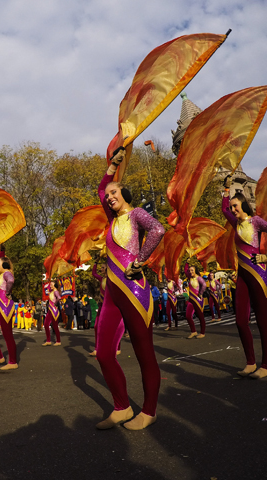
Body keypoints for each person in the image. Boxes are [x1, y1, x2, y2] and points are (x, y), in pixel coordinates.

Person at [94, 149, 164, 431]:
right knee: (103, 353)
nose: (109, 196)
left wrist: (141, 260)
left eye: (115, 192)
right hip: (113, 293)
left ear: (125, 194)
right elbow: (100, 188)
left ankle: (149, 411)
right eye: (108, 195)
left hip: (135, 290)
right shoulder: (111, 221)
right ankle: (121, 407)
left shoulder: (136, 215)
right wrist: (112, 166)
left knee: (144, 352)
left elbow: (158, 230)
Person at [222, 183, 267, 378]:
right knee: (241, 321)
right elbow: (224, 210)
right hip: (242, 276)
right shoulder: (236, 224)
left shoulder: (255, 221)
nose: (232, 209)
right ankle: (250, 362)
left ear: (243, 205)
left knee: (264, 321)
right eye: (232, 207)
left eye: (235, 206)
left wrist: (266, 256)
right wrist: (225, 191)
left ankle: (265, 365)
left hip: (258, 273)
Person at [184, 264, 207, 339]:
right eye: (190, 270)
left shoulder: (198, 278)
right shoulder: (190, 277)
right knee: (188, 316)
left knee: (200, 316)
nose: (190, 272)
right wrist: (186, 263)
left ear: (195, 271)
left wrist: (200, 293)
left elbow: (204, 285)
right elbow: (185, 270)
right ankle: (193, 331)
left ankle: (202, 333)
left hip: (197, 300)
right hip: (191, 300)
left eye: (192, 270)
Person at [42, 280, 62, 346]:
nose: (50, 285)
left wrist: (56, 303)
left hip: (54, 310)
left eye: (52, 284)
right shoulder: (52, 291)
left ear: (55, 285)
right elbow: (46, 287)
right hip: (50, 310)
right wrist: (48, 280)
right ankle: (48, 340)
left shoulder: (56, 291)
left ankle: (58, 341)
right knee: (45, 324)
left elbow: (59, 298)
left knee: (55, 326)